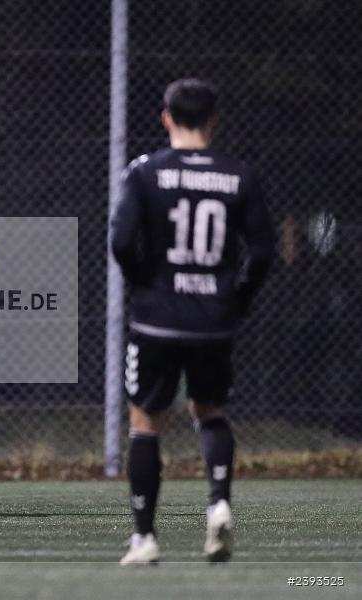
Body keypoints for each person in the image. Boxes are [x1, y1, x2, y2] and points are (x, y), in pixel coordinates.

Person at [111, 79, 275, 564]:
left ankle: (144, 537)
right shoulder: (239, 175)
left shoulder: (145, 172)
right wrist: (236, 297)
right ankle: (219, 505)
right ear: (213, 120)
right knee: (209, 411)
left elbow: (122, 243)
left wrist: (147, 285)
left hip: (158, 318)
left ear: (166, 118)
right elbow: (263, 252)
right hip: (213, 320)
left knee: (145, 421)